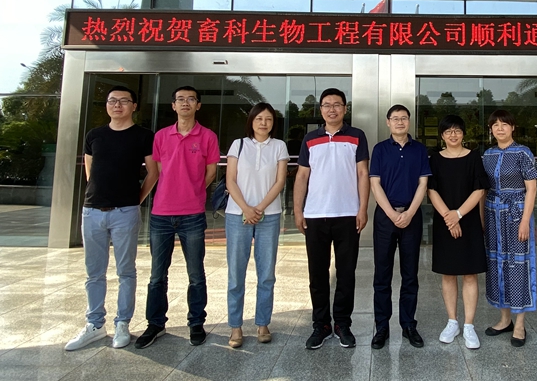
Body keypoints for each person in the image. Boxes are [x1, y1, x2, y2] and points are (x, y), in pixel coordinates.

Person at [65, 86, 158, 351]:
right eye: (112, 101)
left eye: (123, 101)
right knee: (94, 273)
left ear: (134, 106)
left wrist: (136, 200)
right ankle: (94, 324)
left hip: (125, 212)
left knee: (125, 271)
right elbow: (90, 171)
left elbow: (153, 173)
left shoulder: (144, 136)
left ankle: (122, 323)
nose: (117, 105)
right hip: (92, 211)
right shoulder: (94, 135)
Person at [135, 86, 220, 349]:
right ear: (173, 105)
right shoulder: (161, 136)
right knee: (157, 275)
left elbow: (211, 173)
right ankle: (155, 323)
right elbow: (158, 171)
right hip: (161, 213)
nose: (185, 103)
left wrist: (193, 192)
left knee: (196, 273)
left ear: (198, 105)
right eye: (180, 99)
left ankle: (196, 322)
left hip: (192, 213)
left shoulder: (207, 136)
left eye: (191, 99)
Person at [293, 88, 370, 350]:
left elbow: (362, 174)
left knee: (346, 273)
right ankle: (321, 325)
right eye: (327, 105)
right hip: (316, 215)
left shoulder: (357, 136)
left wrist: (362, 208)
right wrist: (298, 210)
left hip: (348, 214)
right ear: (321, 109)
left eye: (337, 104)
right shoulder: (310, 139)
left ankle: (342, 324)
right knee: (317, 273)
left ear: (345, 109)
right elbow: (302, 176)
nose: (332, 109)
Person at [224, 103, 289, 348]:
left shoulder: (279, 146)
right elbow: (230, 180)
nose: (263, 123)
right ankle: (235, 326)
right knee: (236, 273)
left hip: (268, 216)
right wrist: (246, 208)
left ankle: (263, 323)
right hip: (237, 215)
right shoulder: (238, 144)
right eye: (259, 118)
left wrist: (259, 208)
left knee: (266, 274)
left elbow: (280, 181)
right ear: (251, 121)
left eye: (268, 119)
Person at [369, 104, 431, 349]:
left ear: (409, 121)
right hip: (386, 218)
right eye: (395, 118)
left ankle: (408, 325)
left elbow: (423, 184)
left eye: (404, 118)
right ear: (388, 122)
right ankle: (381, 327)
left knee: (410, 274)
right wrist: (392, 214)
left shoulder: (419, 150)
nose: (399, 122)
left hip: (412, 216)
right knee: (382, 275)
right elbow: (375, 184)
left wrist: (409, 213)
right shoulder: (380, 149)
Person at [427, 115, 489, 350]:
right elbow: (431, 190)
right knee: (448, 273)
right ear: (442, 135)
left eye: (457, 131)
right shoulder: (435, 159)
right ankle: (452, 322)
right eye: (448, 131)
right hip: (444, 222)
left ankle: (469, 325)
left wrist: (459, 215)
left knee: (470, 274)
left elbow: (479, 189)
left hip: (469, 220)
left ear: (463, 133)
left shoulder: (474, 157)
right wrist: (449, 217)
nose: (453, 135)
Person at [482, 110, 537, 348]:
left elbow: (532, 188)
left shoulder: (523, 152)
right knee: (497, 263)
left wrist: (525, 220)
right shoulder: (487, 155)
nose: (500, 128)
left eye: (504, 124)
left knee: (518, 264)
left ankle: (520, 324)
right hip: (492, 213)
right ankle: (505, 319)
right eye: (495, 125)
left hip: (517, 214)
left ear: (513, 127)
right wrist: (482, 220)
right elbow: (483, 189)